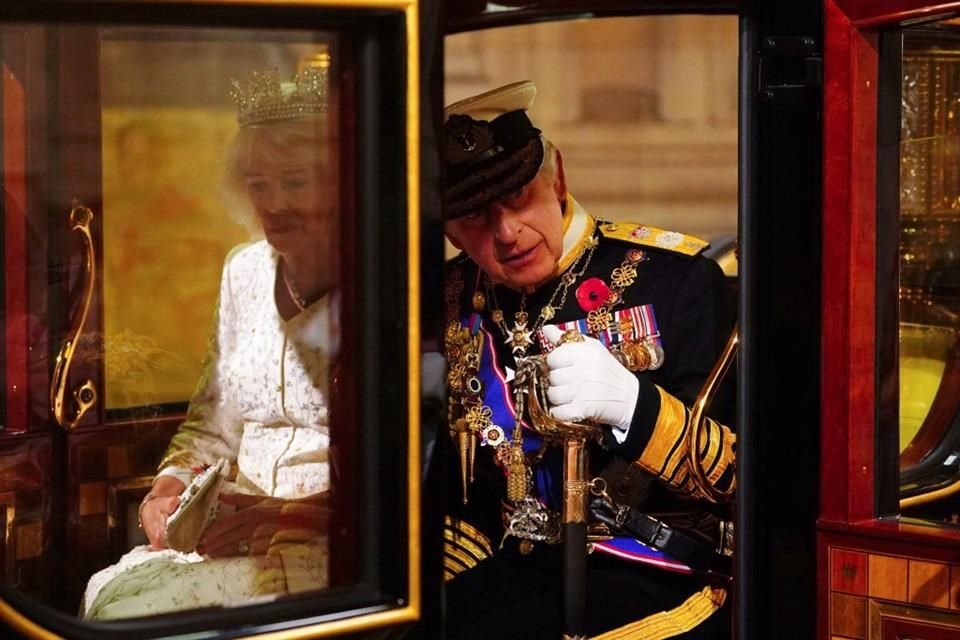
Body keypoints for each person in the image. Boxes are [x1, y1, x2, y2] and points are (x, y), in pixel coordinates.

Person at [441, 80, 737, 639]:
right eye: (475, 219)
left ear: (557, 178)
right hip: (516, 562)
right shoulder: (451, 297)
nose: (506, 233)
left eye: (518, 199)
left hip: (657, 568)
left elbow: (749, 478)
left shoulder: (675, 279)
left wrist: (634, 408)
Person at [81, 65, 338, 620]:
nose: (273, 203)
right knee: (110, 600)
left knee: (137, 620)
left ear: (344, 182)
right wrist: (167, 488)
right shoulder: (243, 270)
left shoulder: (390, 281)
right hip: (229, 530)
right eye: (258, 184)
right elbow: (211, 423)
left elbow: (412, 466)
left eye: (295, 181)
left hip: (337, 539)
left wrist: (294, 516)